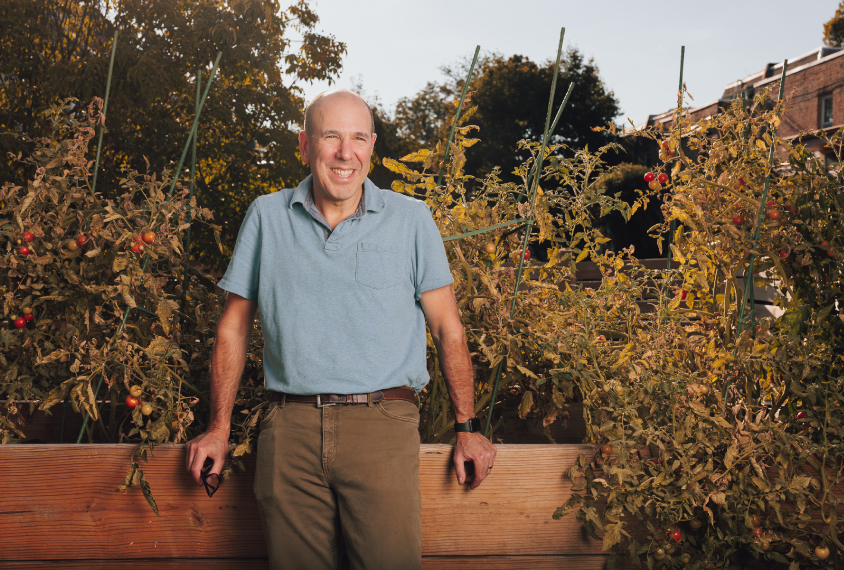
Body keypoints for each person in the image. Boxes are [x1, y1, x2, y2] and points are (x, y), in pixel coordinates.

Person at [185, 89, 496, 569]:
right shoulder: (267, 217)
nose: (344, 152)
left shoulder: (411, 220)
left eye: (357, 138)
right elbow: (232, 329)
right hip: (289, 430)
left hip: (383, 427)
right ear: (305, 146)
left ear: (372, 146)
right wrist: (217, 429)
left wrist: (468, 428)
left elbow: (448, 329)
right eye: (330, 136)